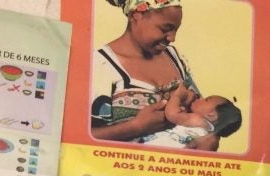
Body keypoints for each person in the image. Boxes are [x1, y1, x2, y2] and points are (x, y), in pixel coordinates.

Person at [90, 0, 220, 151]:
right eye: (166, 29)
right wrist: (135, 127)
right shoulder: (100, 64)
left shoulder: (175, 57)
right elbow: (79, 137)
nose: (172, 38)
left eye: (176, 30)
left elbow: (203, 114)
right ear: (136, 15)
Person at [151, 82, 242, 149]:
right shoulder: (210, 137)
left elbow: (171, 114)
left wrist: (177, 96)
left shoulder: (197, 120)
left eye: (206, 100)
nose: (201, 98)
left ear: (211, 115)